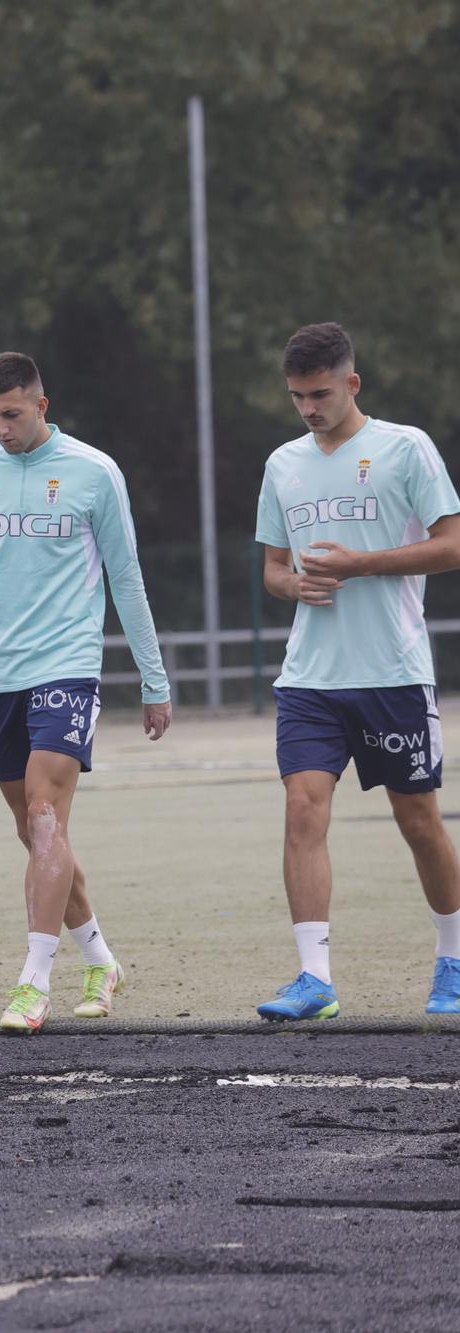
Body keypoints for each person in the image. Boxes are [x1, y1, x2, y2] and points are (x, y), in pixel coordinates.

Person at [0, 352, 171, 1034]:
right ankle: (102, 959)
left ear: (42, 404)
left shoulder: (94, 471)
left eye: (13, 414)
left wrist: (155, 679)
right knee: (34, 829)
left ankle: (33, 979)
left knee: (46, 814)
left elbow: (127, 576)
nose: (2, 428)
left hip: (68, 667)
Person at [253, 322, 460, 1020]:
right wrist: (294, 586)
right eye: (296, 397)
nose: (309, 409)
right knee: (302, 810)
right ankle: (314, 978)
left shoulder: (406, 449)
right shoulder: (282, 463)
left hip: (392, 673)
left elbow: (452, 545)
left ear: (352, 383)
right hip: (309, 679)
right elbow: (275, 570)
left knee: (419, 821)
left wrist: (360, 564)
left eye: (319, 394)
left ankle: (453, 958)